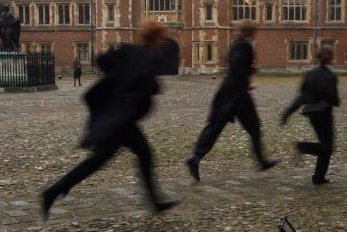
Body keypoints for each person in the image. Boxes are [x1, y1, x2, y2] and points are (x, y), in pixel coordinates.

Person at [40, 22, 179, 219]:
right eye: (161, 39)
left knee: (142, 155)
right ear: (156, 39)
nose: (163, 43)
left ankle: (155, 202)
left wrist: (116, 77)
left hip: (121, 119)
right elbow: (152, 87)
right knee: (100, 160)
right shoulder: (150, 58)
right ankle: (52, 191)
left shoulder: (127, 50)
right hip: (120, 122)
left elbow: (102, 59)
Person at [185, 22, 278, 183]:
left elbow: (236, 65)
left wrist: (249, 71)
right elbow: (236, 67)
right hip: (237, 96)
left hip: (227, 93)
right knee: (254, 127)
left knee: (215, 127)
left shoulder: (236, 44)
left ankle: (195, 157)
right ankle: (262, 161)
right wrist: (247, 80)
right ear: (251, 32)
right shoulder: (244, 46)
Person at [281, 46, 340, 185]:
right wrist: (336, 101)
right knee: (327, 147)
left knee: (326, 145)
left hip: (311, 114)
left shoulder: (310, 74)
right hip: (324, 114)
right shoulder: (331, 76)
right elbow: (333, 97)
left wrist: (288, 113)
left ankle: (318, 177)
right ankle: (303, 147)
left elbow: (301, 96)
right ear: (330, 59)